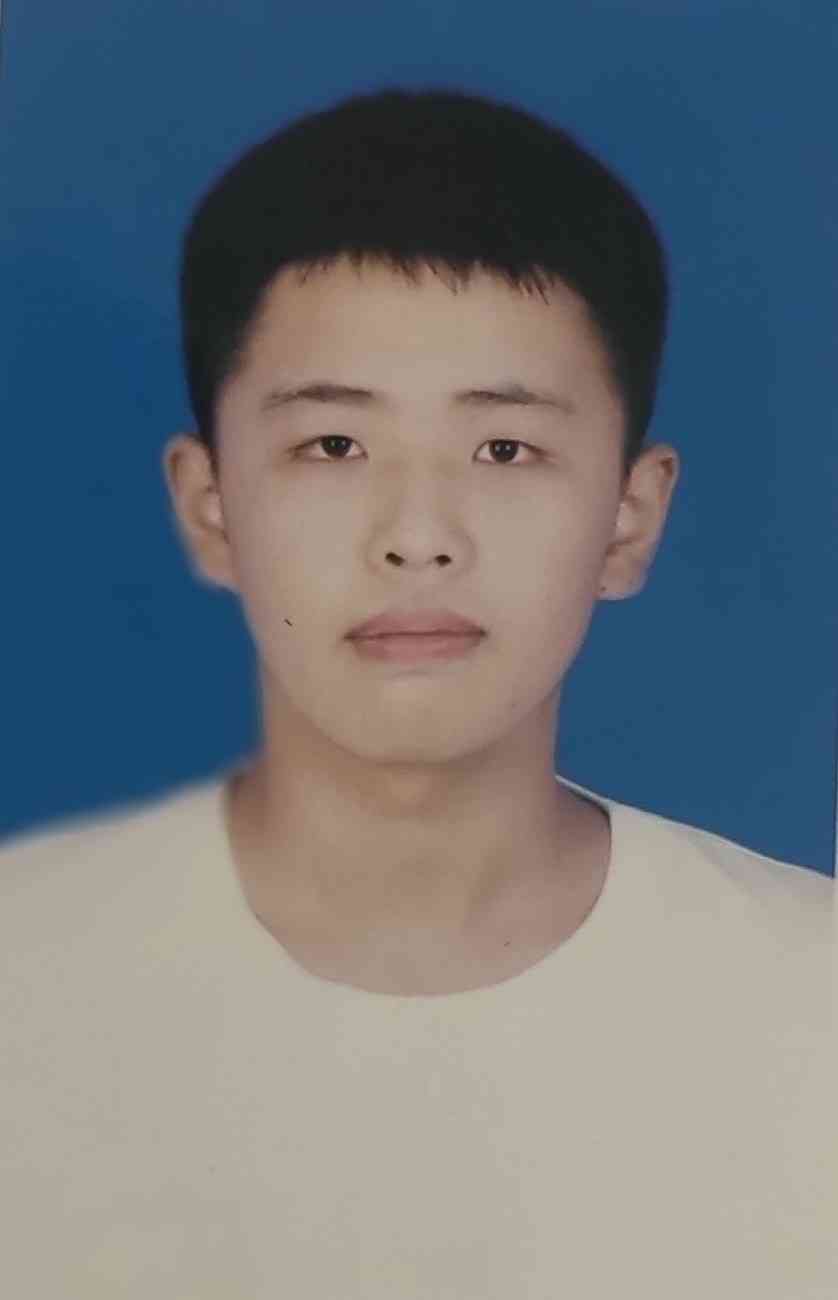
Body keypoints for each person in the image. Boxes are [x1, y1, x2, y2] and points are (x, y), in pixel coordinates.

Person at [1, 87, 833, 1298]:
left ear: (629, 516)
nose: (418, 535)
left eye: (504, 448)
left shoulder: (811, 1005)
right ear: (210, 506)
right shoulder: (22, 974)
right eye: (334, 446)